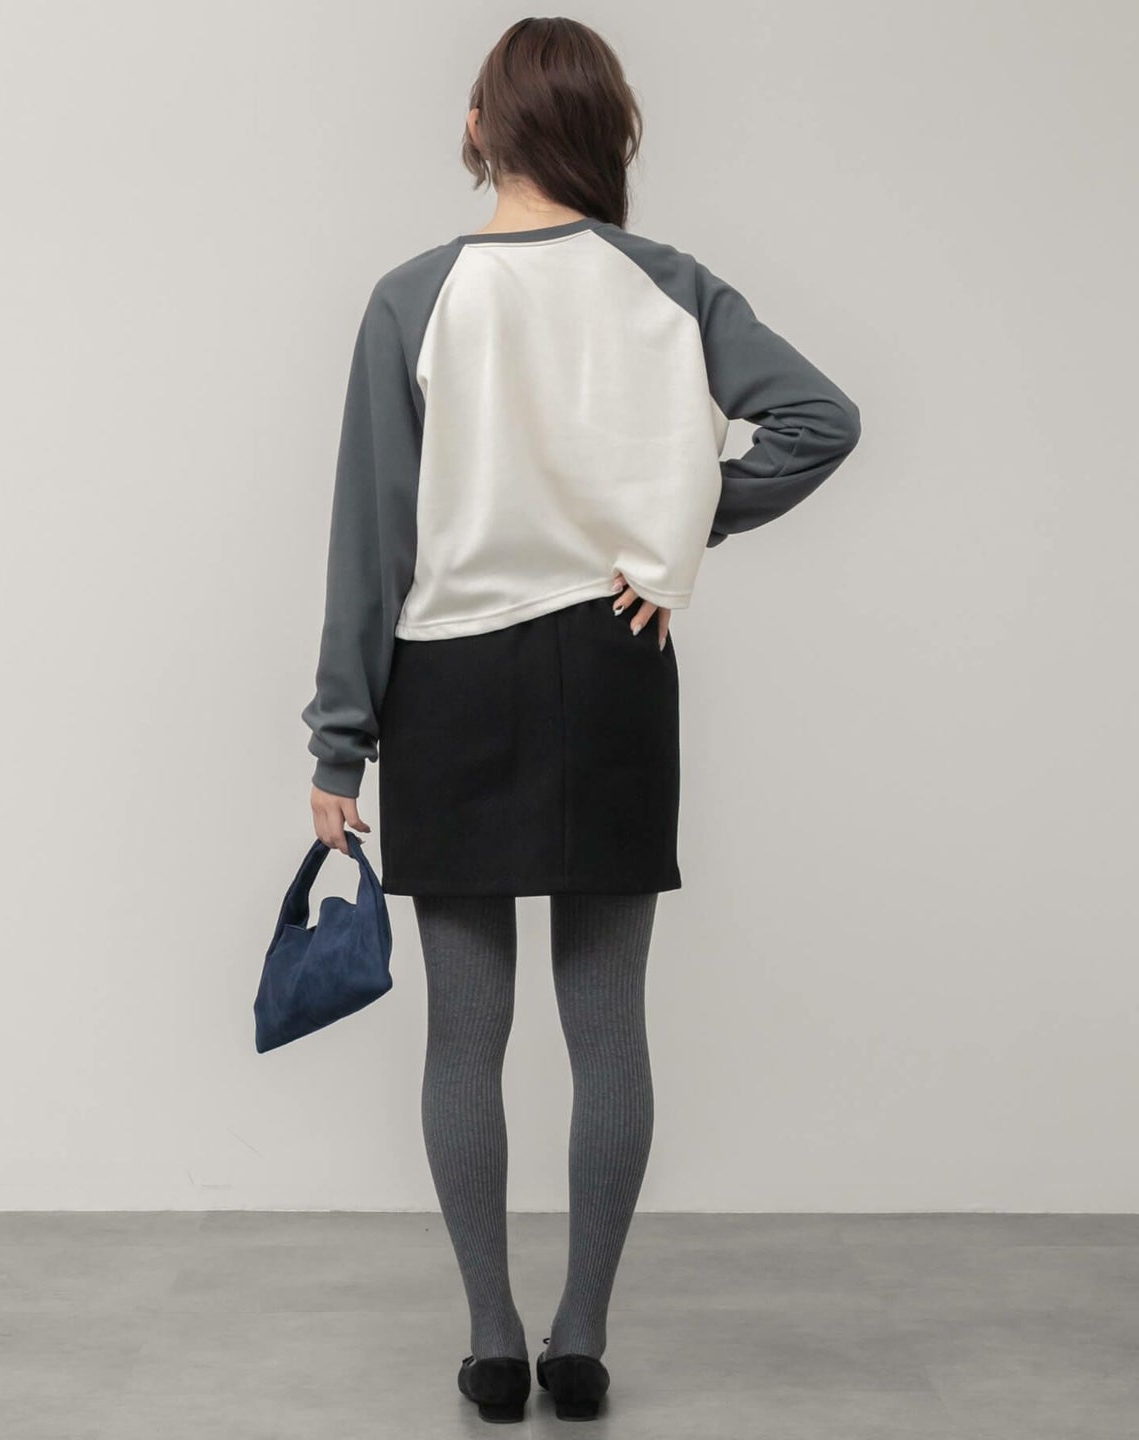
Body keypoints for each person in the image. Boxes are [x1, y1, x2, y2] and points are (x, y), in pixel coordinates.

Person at [299, 16, 861, 1425]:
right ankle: (583, 1341)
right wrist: (670, 536)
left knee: (464, 1035)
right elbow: (820, 420)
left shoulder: (414, 297)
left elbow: (373, 538)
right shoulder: (668, 285)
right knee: (610, 1027)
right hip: (614, 667)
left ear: (480, 127)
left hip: (450, 682)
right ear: (607, 132)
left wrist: (338, 741)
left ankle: (494, 1344)